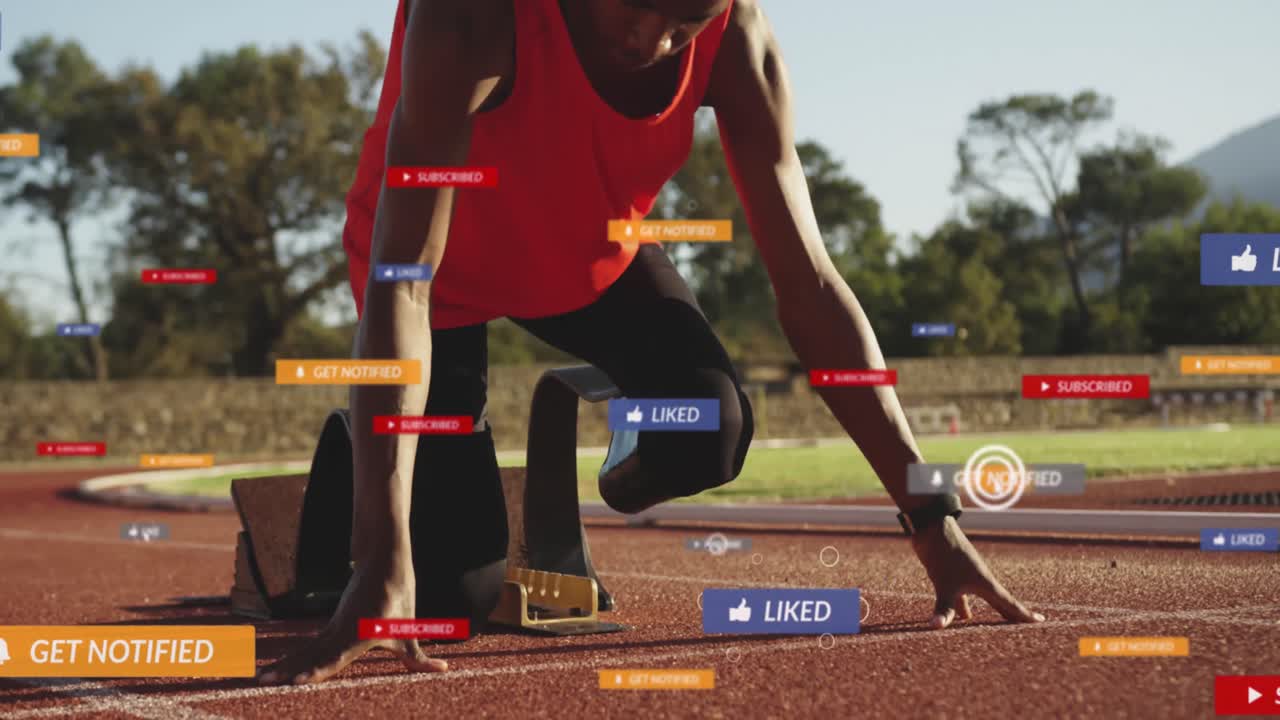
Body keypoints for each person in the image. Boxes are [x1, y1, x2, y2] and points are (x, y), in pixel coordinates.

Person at [258, 0, 1044, 686]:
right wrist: (380, 556)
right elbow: (405, 282)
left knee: (711, 428)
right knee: (445, 602)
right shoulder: (475, 12)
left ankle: (620, 442)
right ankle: (351, 486)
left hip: (592, 260)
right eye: (633, 5)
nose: (653, 39)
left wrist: (930, 514)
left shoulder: (739, 37)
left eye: (685, 21)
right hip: (439, 275)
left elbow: (809, 285)